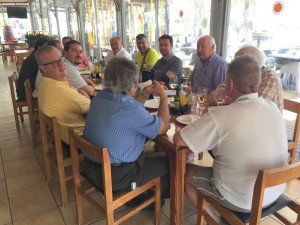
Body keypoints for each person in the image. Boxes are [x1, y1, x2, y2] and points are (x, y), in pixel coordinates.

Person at [173, 55, 288, 213]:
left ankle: (210, 220)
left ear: (231, 83)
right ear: (258, 82)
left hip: (242, 200)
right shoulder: (272, 107)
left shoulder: (222, 115)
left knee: (184, 173)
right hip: (275, 190)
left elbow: (179, 140)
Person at [83, 57, 170, 207]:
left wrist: (144, 93)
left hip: (90, 168)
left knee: (147, 151)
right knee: (169, 164)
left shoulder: (100, 97)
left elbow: (130, 109)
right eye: (135, 81)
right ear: (130, 83)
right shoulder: (130, 109)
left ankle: (140, 192)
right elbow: (163, 127)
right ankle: (137, 196)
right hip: (116, 178)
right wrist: (163, 97)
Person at [36, 45, 90, 145]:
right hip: (78, 141)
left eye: (61, 59)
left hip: (62, 137)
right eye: (55, 62)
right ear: (43, 69)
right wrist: (85, 96)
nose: (62, 64)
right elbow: (92, 110)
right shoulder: (61, 92)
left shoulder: (44, 83)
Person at [234, 45, 284, 112]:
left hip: (266, 119)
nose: (234, 67)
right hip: (247, 114)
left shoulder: (271, 77)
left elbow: (257, 104)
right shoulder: (244, 75)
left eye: (237, 63)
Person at [16, 35, 50, 101]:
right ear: (39, 47)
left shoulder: (35, 55)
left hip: (25, 89)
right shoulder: (35, 59)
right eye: (46, 47)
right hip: (26, 93)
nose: (48, 50)